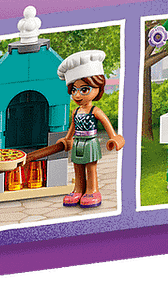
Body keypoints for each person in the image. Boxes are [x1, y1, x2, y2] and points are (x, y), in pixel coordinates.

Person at [47, 51, 124, 208]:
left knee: (90, 167)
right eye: (74, 90)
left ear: (98, 87)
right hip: (77, 143)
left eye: (84, 89)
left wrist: (113, 137)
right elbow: (73, 127)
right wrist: (67, 139)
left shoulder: (95, 111)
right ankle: (78, 189)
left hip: (90, 142)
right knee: (77, 166)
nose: (77, 95)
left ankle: (92, 190)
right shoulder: (76, 111)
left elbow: (106, 123)